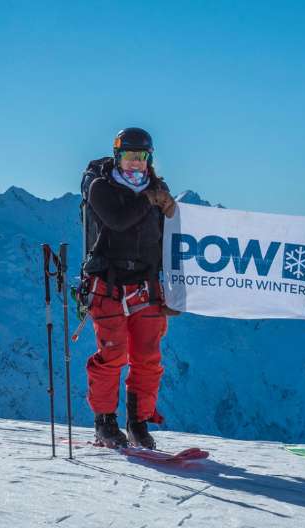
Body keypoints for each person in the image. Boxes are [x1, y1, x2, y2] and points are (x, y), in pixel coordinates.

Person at [80, 127, 177, 449]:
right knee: (113, 354)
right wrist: (150, 199)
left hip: (146, 285)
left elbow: (169, 241)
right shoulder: (100, 187)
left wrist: (176, 291)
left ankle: (138, 424)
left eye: (141, 157)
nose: (135, 163)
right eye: (128, 157)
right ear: (117, 157)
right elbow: (117, 221)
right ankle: (104, 423)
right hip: (107, 282)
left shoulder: (158, 188)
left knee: (148, 357)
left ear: (150, 159)